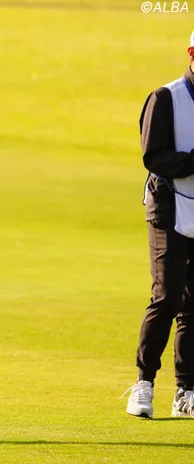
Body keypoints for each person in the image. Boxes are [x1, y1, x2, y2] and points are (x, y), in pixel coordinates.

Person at [125, 30, 194, 419]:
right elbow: (154, 156)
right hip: (168, 206)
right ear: (191, 53)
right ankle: (144, 383)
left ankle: (186, 391)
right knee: (167, 296)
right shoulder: (165, 98)